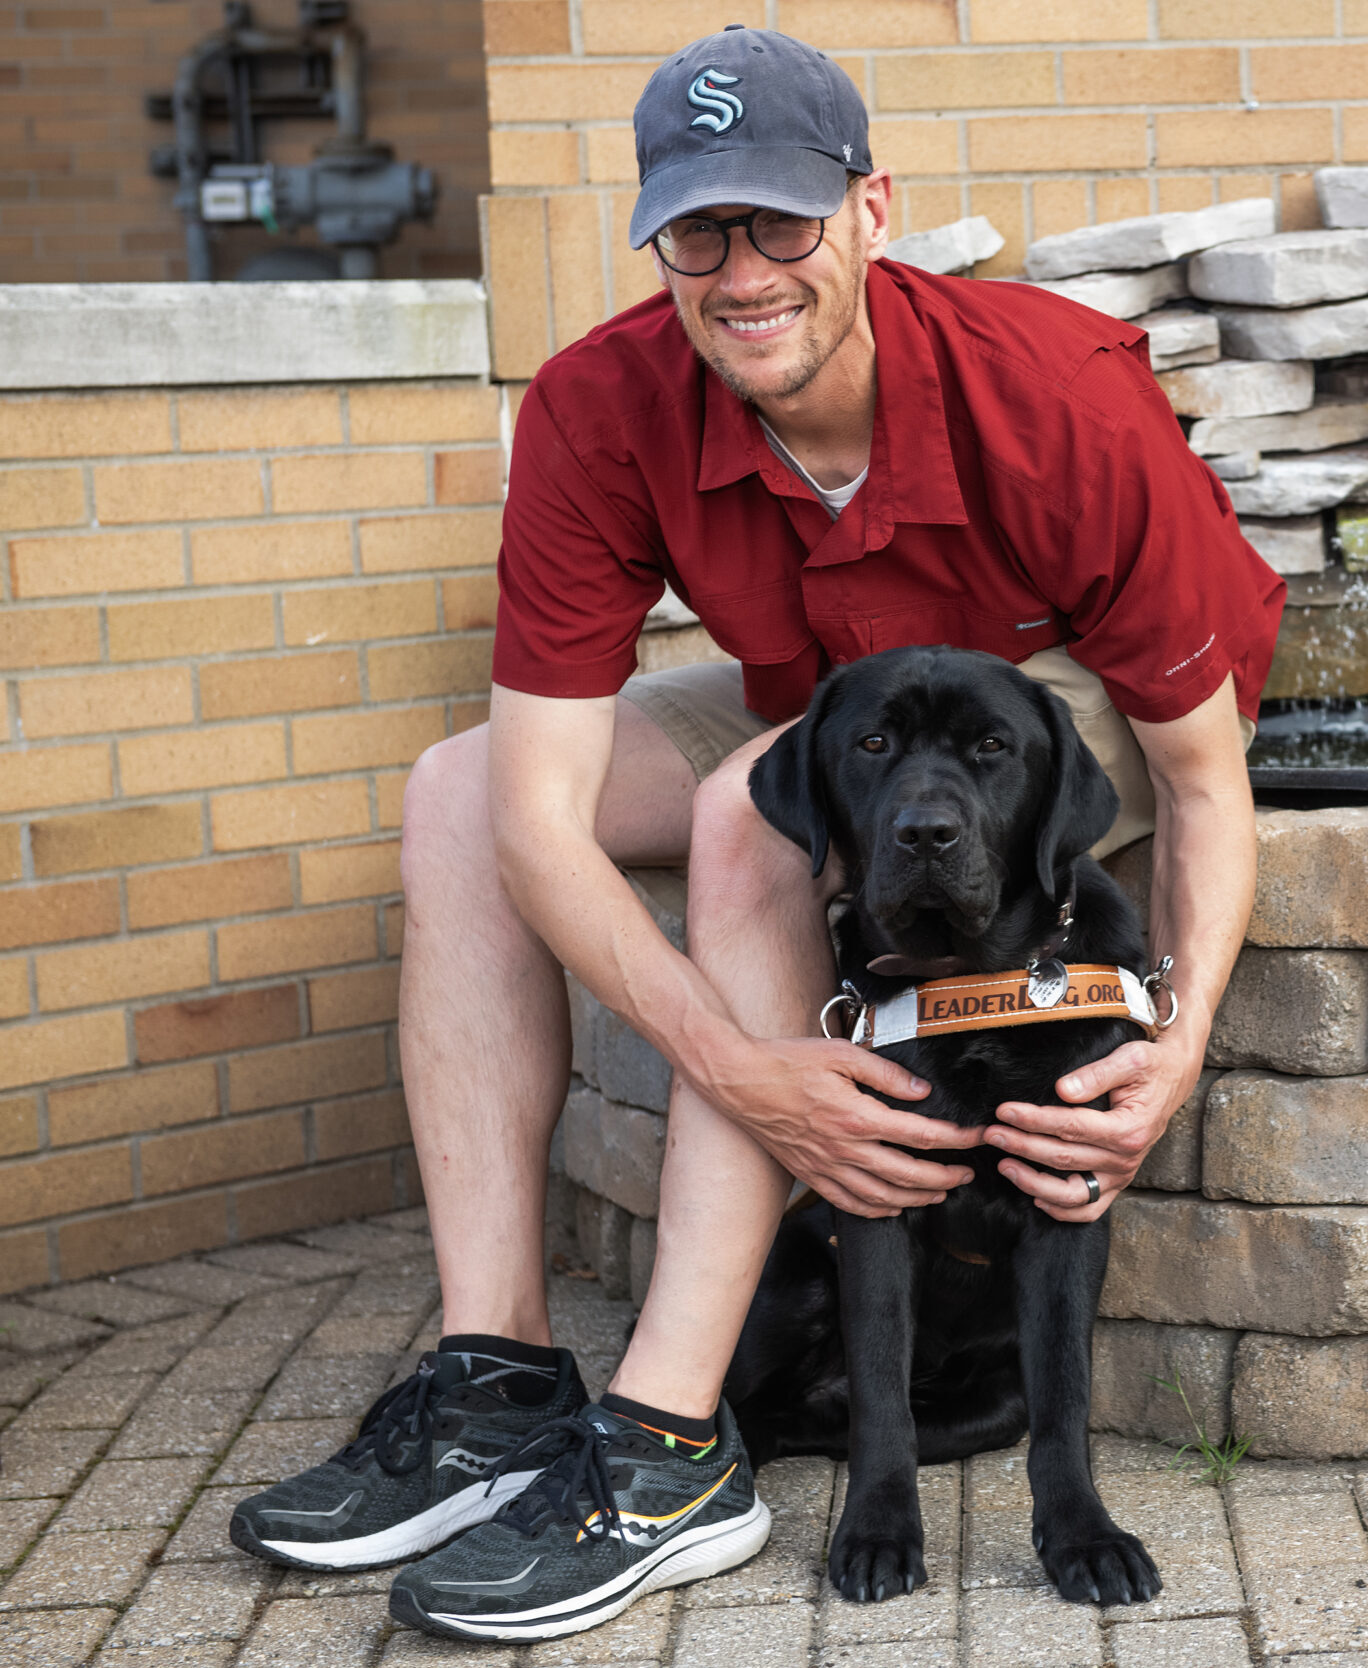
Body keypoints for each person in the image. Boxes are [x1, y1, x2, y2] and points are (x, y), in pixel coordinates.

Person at [230, 24, 1284, 1641]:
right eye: (698, 232)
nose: (741, 274)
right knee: (454, 790)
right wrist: (743, 1069)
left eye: (782, 225)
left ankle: (666, 1446)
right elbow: (530, 820)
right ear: (659, 237)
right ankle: (497, 1376)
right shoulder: (602, 402)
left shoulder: (1054, 398)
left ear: (871, 209)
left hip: (1059, 700)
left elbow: (1204, 782)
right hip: (839, 700)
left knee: (743, 815)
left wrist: (1183, 1036)